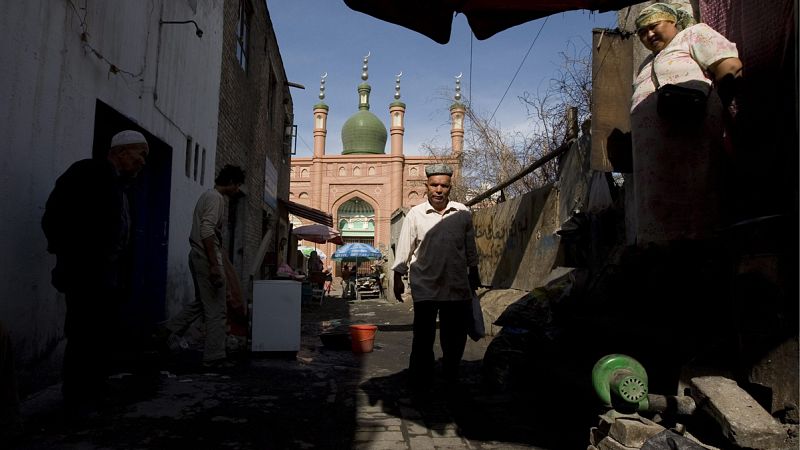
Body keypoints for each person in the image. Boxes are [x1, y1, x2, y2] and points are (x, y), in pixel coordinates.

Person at [41, 130, 149, 413]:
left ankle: (95, 391)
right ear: (121, 152)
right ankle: (78, 399)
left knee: (100, 335)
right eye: (140, 154)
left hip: (107, 277)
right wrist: (73, 255)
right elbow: (54, 215)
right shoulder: (89, 173)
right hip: (86, 274)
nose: (142, 162)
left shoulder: (120, 187)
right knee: (83, 335)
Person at [630, 3, 743, 245]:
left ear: (673, 22)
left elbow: (729, 66)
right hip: (655, 164)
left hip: (692, 142)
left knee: (697, 211)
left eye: (653, 26)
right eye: (641, 32)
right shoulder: (646, 63)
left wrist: (707, 110)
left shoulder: (692, 35)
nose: (648, 35)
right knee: (661, 229)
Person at [391, 163, 480, 389]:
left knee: (454, 338)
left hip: (455, 286)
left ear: (450, 187)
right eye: (434, 185)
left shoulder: (462, 213)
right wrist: (397, 278)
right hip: (426, 287)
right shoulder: (415, 215)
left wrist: (474, 273)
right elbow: (404, 248)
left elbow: (470, 248)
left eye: (444, 186)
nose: (439, 190)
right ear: (426, 186)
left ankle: (450, 376)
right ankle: (421, 382)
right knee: (423, 338)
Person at [165, 165, 244, 369]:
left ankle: (166, 331)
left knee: (203, 301)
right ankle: (215, 356)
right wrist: (214, 264)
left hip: (199, 255)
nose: (237, 190)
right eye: (237, 186)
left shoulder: (209, 196)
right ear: (231, 182)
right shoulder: (216, 198)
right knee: (217, 308)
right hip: (205, 255)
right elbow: (207, 230)